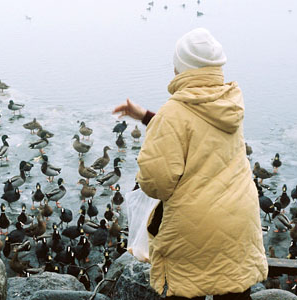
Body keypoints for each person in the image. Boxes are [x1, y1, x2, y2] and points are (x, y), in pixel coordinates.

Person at [113, 28, 268, 300]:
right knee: (233, 289)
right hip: (239, 219)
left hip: (193, 229)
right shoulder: (229, 103)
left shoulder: (174, 113)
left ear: (182, 69)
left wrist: (155, 131)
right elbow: (199, 131)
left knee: (187, 288)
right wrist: (148, 116)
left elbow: (156, 183)